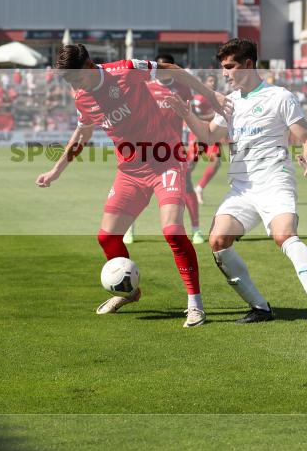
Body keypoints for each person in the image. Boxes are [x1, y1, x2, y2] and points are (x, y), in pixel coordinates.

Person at [36, 44, 224, 328]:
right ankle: (129, 291)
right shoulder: (82, 98)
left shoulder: (125, 70)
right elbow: (82, 133)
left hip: (166, 161)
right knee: (107, 238)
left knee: (172, 231)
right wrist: (56, 170)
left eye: (75, 78)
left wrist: (210, 94)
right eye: (68, 81)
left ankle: (195, 304)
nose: (74, 86)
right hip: (130, 172)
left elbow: (171, 70)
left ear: (88, 65)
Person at [166, 38, 307, 330]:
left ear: (248, 64)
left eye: (230, 66)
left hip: (275, 182)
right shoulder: (230, 101)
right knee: (218, 241)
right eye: (222, 67)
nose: (225, 73)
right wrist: (187, 115)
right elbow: (208, 135)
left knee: (284, 235)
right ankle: (260, 307)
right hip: (242, 189)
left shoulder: (280, 97)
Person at [124, 53, 205, 245]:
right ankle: (129, 230)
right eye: (159, 68)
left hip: (173, 149)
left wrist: (193, 145)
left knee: (186, 188)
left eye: (166, 67)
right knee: (137, 190)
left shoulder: (184, 90)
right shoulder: (146, 88)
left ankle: (196, 231)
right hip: (147, 148)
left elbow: (189, 118)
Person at [191, 74, 223, 205]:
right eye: (210, 81)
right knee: (190, 165)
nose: (213, 83)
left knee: (216, 162)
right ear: (204, 83)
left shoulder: (217, 98)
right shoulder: (199, 99)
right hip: (199, 134)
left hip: (212, 134)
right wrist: (215, 115)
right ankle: (181, 188)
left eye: (215, 81)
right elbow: (194, 116)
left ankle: (199, 189)